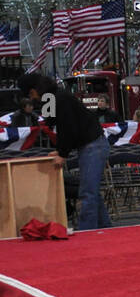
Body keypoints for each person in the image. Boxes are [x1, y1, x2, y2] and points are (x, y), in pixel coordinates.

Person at [16, 71, 112, 231]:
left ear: (34, 90)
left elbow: (67, 128)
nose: (32, 98)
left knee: (87, 192)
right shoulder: (54, 97)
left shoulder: (59, 98)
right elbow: (52, 122)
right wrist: (60, 149)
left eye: (31, 94)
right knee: (91, 190)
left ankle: (86, 232)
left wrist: (62, 153)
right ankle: (107, 229)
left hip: (92, 145)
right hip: (88, 144)